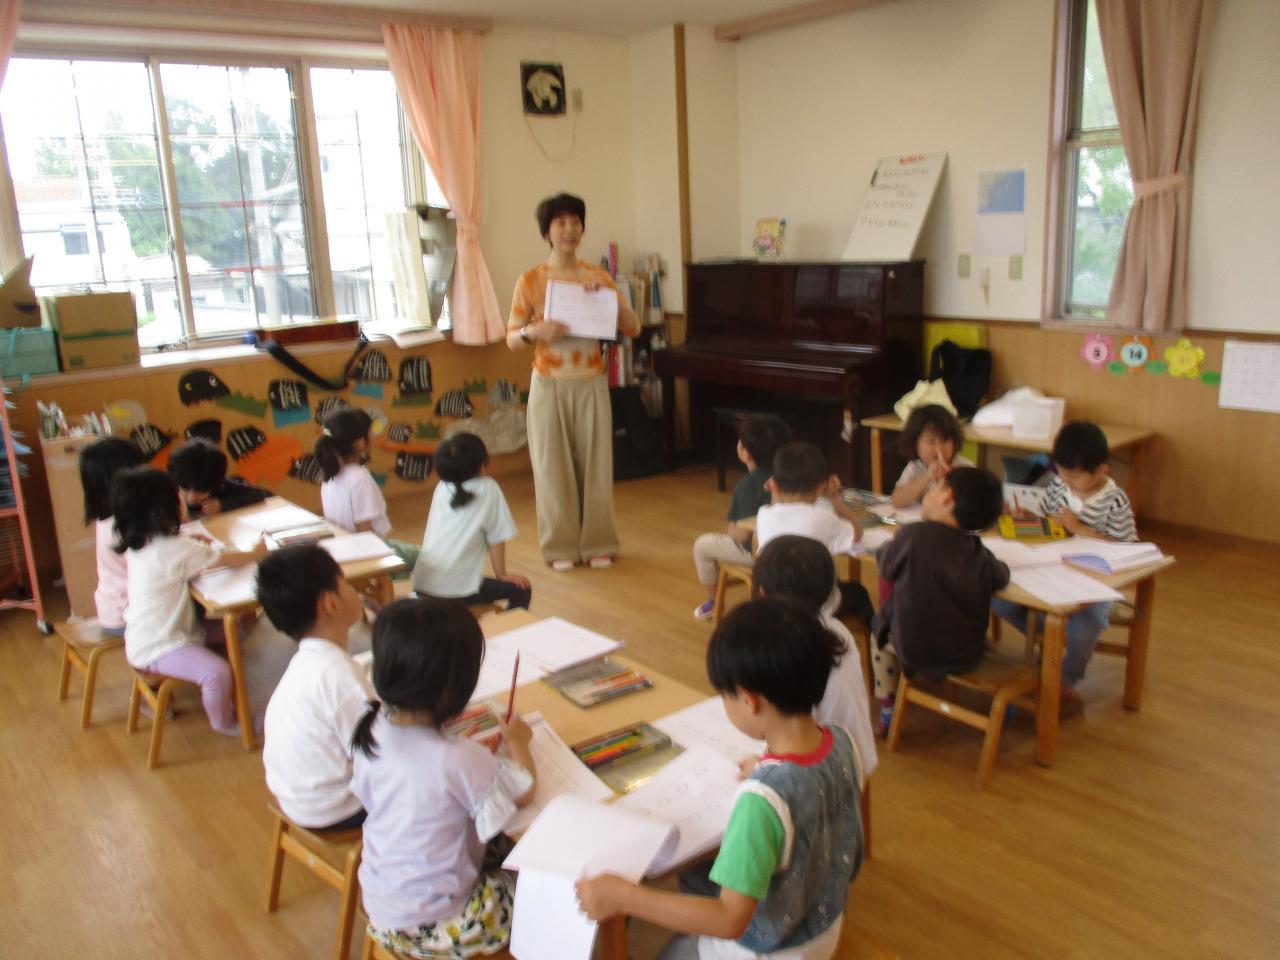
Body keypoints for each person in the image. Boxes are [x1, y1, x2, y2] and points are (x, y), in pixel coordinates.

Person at [575, 598, 864, 960]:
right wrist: (768, 767)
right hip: (824, 927)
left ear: (748, 699)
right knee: (697, 875)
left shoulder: (760, 802)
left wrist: (625, 897)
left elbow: (729, 921)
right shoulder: (841, 742)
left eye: (725, 695)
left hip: (770, 951)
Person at [351, 597, 537, 958]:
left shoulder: (371, 729)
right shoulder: (458, 759)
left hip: (382, 905)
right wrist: (518, 742)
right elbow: (525, 789)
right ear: (452, 692)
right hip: (444, 924)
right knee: (548, 887)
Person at [506, 191, 642, 572]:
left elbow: (633, 327)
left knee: (597, 465)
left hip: (591, 381)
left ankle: (599, 542)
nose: (569, 230)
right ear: (547, 231)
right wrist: (535, 331)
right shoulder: (530, 280)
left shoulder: (598, 277)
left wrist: (612, 300)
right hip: (548, 382)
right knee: (552, 466)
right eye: (560, 222)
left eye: (575, 222)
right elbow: (511, 338)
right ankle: (560, 546)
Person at [113, 467, 267, 736]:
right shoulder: (172, 548)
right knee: (217, 673)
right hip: (160, 646)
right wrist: (256, 552)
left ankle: (242, 691)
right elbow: (228, 559)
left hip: (146, 636)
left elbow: (174, 555)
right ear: (165, 507)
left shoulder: (142, 542)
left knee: (236, 631)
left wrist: (188, 540)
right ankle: (227, 722)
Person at [991, 421, 1137, 703]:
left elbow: (1127, 549)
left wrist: (1081, 529)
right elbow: (1045, 519)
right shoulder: (1059, 486)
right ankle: (1050, 640)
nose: (1066, 481)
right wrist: (1024, 517)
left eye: (1075, 477)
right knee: (999, 599)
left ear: (1102, 470)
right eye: (1061, 473)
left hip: (1094, 584)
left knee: (1086, 624)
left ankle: (1067, 679)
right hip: (1051, 571)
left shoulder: (1114, 501)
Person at [871, 467, 1009, 735]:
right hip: (966, 653)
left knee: (878, 636)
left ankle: (887, 704)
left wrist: (889, 545)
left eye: (935, 487)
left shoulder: (912, 535)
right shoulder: (976, 549)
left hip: (913, 650)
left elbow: (886, 565)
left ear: (947, 497)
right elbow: (1001, 577)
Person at [258, 545, 372, 831]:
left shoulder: (307, 662)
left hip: (295, 799)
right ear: (330, 603)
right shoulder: (340, 675)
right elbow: (382, 755)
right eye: (345, 582)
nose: (353, 590)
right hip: (340, 809)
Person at [751, 534, 877, 778]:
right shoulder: (837, 630)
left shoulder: (785, 652)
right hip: (858, 758)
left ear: (763, 593)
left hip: (825, 776)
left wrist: (760, 768)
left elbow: (786, 737)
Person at [755, 441, 874, 623]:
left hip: (775, 603)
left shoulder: (764, 515)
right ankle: (876, 639)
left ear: (775, 486)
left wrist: (775, 492)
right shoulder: (823, 517)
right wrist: (834, 497)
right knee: (859, 592)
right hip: (819, 605)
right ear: (821, 486)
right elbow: (857, 533)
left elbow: (777, 510)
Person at [411, 433, 531, 610]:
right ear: (482, 466)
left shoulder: (441, 487)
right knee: (522, 590)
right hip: (457, 592)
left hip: (422, 585)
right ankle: (510, 627)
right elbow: (497, 537)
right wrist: (502, 574)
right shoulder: (488, 488)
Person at [691, 414, 792, 621]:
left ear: (745, 453)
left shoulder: (748, 485)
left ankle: (714, 602)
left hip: (756, 552)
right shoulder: (789, 477)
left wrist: (731, 529)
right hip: (789, 549)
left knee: (702, 546)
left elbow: (743, 535)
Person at [79, 436, 144, 637]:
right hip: (128, 617)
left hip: (113, 611)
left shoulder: (109, 518)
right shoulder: (124, 526)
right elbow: (156, 566)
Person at [317, 408, 390, 538]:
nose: (374, 434)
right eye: (371, 430)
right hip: (362, 546)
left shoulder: (330, 475)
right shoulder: (359, 478)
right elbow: (366, 533)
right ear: (360, 443)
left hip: (343, 544)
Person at [890, 404, 973, 508]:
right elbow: (896, 501)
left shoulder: (965, 467)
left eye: (945, 440)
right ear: (915, 444)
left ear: (954, 441)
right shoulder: (915, 467)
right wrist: (928, 477)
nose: (939, 449)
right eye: (931, 442)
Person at [167, 437, 269, 519]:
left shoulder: (215, 482)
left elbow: (257, 494)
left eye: (202, 492)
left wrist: (222, 505)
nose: (192, 498)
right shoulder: (168, 487)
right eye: (185, 488)